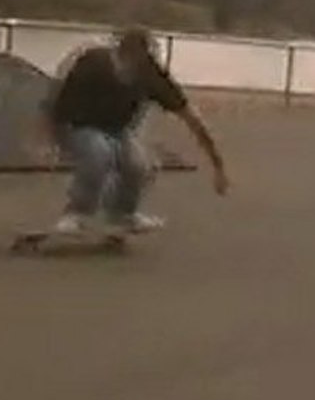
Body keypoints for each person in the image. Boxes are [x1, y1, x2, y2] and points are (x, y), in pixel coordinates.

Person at [37, 26, 229, 241]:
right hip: (74, 127)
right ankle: (76, 214)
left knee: (139, 165)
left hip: (117, 129)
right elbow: (53, 104)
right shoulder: (92, 64)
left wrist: (218, 166)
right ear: (118, 56)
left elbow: (191, 118)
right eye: (125, 69)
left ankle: (122, 214)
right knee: (99, 154)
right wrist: (47, 141)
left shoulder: (151, 75)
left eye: (135, 70)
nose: (128, 75)